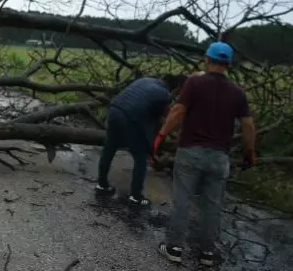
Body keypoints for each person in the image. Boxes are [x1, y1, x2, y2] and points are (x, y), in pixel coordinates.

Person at [155, 42, 257, 267]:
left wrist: (161, 136)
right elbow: (248, 125)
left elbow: (178, 111)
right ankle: (207, 253)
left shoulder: (194, 82)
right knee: (212, 206)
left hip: (191, 152)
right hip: (220, 157)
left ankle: (174, 248)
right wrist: (250, 151)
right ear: (228, 64)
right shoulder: (237, 92)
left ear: (207, 60)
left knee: (183, 199)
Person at [95, 73, 187, 206]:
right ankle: (135, 196)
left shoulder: (145, 80)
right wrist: (150, 145)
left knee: (110, 147)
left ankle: (101, 184)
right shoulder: (164, 95)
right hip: (130, 117)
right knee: (141, 156)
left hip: (114, 110)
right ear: (177, 87)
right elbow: (162, 121)